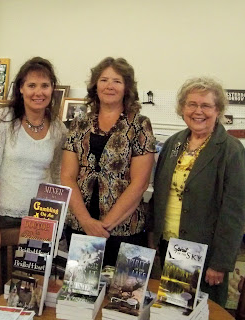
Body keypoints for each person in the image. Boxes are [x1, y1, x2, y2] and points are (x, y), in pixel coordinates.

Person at [149, 77, 245, 307]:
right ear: (182, 108)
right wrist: (153, 236)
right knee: (171, 310)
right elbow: (160, 194)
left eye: (206, 105)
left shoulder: (231, 151)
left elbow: (235, 212)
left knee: (203, 312)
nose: (198, 111)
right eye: (192, 104)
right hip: (169, 245)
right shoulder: (173, 144)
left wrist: (220, 263)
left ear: (218, 110)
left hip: (205, 254)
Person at [61, 57, 156, 266]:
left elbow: (139, 183)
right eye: (104, 80)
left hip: (124, 229)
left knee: (121, 294)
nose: (109, 86)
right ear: (95, 85)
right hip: (80, 225)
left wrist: (104, 226)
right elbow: (67, 177)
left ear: (127, 88)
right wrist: (87, 223)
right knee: (80, 293)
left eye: (117, 81)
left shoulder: (140, 125)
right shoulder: (79, 124)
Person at [0, 56, 67, 229]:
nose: (39, 92)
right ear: (21, 88)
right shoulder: (3, 120)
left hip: (42, 218)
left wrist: (59, 218)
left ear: (52, 89)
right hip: (4, 218)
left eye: (45, 85)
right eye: (31, 85)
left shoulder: (59, 129)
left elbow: (57, 175)